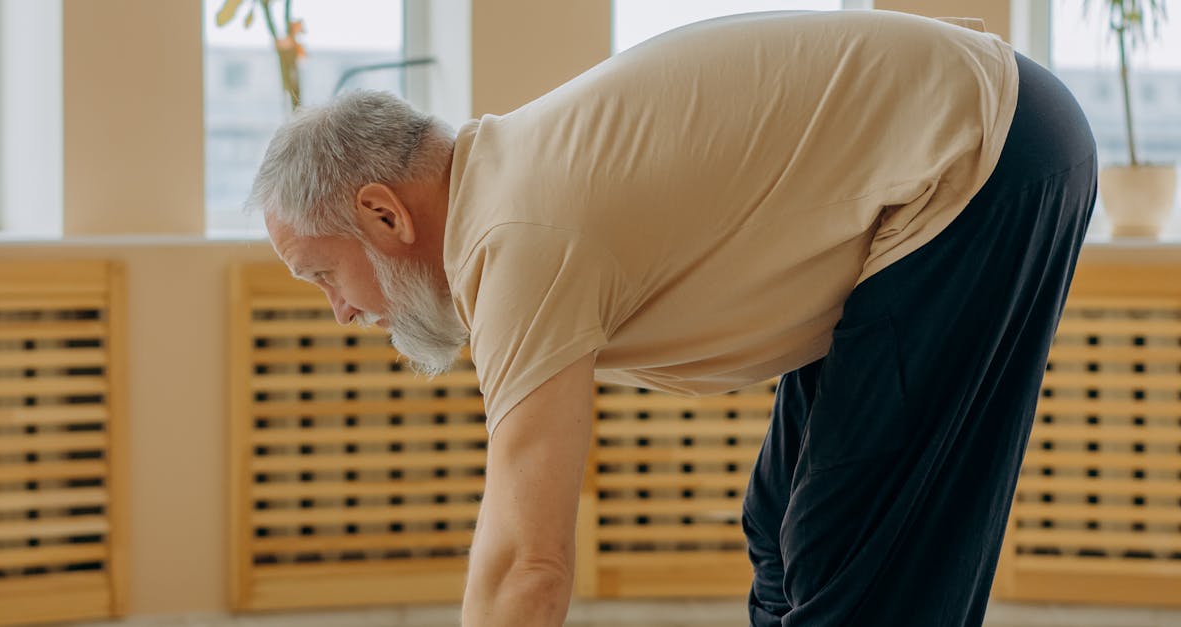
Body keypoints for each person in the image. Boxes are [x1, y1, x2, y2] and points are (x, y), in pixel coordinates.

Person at [249, 9, 1096, 627]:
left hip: (983, 155)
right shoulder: (507, 191)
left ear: (383, 214)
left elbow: (527, 564)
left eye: (323, 275)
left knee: (858, 571)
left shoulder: (512, 234)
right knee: (783, 532)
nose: (342, 313)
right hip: (949, 163)